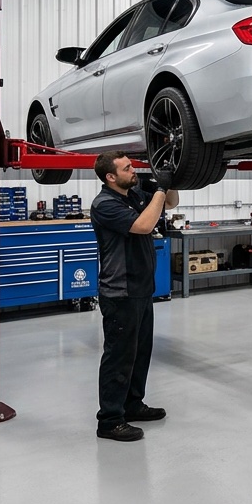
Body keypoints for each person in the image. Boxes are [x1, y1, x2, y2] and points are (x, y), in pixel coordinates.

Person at [90, 152, 179, 441]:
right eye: (127, 168)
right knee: (119, 356)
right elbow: (143, 225)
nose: (134, 170)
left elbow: (171, 203)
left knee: (140, 354)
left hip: (141, 289)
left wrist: (170, 181)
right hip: (120, 292)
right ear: (110, 177)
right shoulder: (104, 204)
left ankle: (132, 405)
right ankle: (109, 420)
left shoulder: (134, 194)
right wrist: (160, 189)